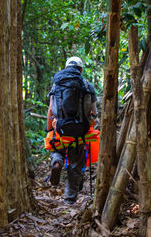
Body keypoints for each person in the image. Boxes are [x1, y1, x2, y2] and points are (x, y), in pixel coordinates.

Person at [46, 56, 97, 204]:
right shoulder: (87, 85)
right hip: (80, 130)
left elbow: (51, 109)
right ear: (80, 70)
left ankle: (57, 162)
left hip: (60, 128)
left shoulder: (57, 84)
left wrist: (49, 128)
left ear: (66, 67)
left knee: (58, 149)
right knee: (76, 164)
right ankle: (69, 199)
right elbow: (93, 112)